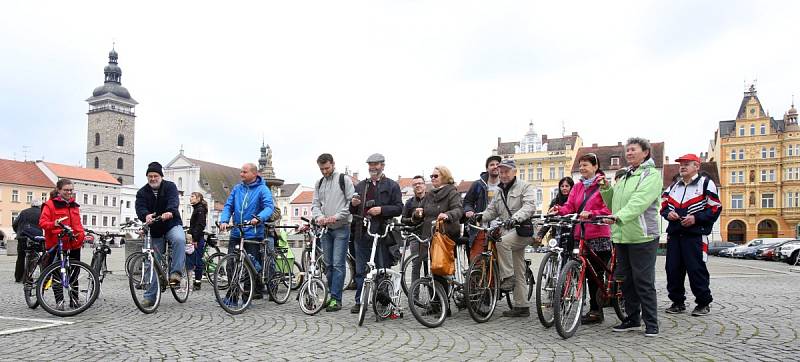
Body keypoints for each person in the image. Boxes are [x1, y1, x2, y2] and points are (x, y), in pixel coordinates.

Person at [599, 137, 663, 337]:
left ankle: (651, 323)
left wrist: (619, 217)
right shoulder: (626, 175)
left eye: (633, 149)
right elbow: (613, 205)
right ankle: (633, 319)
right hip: (622, 236)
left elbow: (639, 201)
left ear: (645, 153)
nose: (629, 153)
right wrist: (606, 189)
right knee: (626, 281)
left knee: (643, 281)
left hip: (642, 236)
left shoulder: (651, 175)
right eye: (627, 150)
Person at [553, 153, 611, 324]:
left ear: (595, 166)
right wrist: (558, 209)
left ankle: (596, 310)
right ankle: (593, 306)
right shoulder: (577, 187)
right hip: (581, 234)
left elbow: (610, 208)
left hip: (598, 234)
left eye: (585, 165)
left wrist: (592, 213)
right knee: (585, 274)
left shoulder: (603, 184)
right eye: (580, 165)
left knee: (596, 275)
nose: (582, 168)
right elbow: (570, 206)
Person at [661, 154, 721, 317]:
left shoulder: (706, 184)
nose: (682, 167)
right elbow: (664, 206)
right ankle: (677, 302)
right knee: (672, 269)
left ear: (697, 166)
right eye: (681, 164)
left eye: (687, 164)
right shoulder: (673, 186)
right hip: (675, 234)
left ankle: (703, 303)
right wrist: (668, 214)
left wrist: (696, 218)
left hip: (695, 235)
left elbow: (715, 208)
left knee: (696, 269)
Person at [476, 159, 537, 317]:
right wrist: (478, 217)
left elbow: (530, 206)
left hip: (524, 230)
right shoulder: (498, 191)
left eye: (506, 171)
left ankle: (507, 277)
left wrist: (515, 218)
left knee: (502, 244)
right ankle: (522, 306)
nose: (503, 174)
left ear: (515, 171)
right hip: (509, 232)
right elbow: (491, 211)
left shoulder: (525, 186)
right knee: (519, 269)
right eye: (501, 172)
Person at [348, 153, 403, 314]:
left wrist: (381, 210)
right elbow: (352, 210)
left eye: (376, 164)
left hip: (382, 233)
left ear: (383, 166)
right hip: (361, 232)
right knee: (360, 270)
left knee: (382, 269)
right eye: (370, 164)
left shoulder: (392, 185)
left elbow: (399, 208)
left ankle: (382, 300)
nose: (373, 167)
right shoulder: (361, 186)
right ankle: (360, 301)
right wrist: (353, 204)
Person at [219, 163, 275, 300]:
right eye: (241, 171)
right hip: (237, 232)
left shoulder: (263, 189)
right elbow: (228, 206)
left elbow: (269, 207)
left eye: (244, 172)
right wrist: (224, 220)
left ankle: (248, 295)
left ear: (254, 174)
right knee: (231, 264)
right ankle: (232, 295)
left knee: (250, 264)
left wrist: (259, 218)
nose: (241, 174)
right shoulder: (237, 189)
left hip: (253, 233)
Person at [135, 162, 187, 308]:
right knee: (151, 261)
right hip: (155, 229)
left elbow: (173, 201)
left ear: (161, 176)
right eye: (150, 176)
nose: (152, 178)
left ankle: (176, 273)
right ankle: (150, 296)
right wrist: (145, 216)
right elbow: (140, 207)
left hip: (171, 223)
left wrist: (170, 211)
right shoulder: (142, 192)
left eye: (155, 175)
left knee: (179, 239)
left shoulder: (170, 186)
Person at [412, 166, 463, 311]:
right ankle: (435, 305)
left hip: (444, 235)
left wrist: (447, 215)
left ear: (445, 177)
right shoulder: (429, 195)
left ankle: (443, 306)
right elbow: (417, 215)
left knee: (440, 270)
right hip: (429, 235)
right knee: (430, 271)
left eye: (435, 176)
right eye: (431, 176)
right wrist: (417, 214)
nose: (432, 178)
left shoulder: (451, 192)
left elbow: (459, 210)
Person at [311, 153, 355, 312]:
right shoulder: (319, 183)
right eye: (321, 169)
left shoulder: (344, 180)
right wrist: (320, 217)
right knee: (328, 264)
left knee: (337, 264)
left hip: (341, 227)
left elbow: (352, 204)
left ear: (333, 164)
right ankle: (331, 294)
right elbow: (315, 204)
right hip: (326, 229)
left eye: (327, 168)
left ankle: (336, 299)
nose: (324, 171)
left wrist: (335, 217)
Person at [39, 179, 85, 308]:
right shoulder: (50, 205)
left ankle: (74, 300)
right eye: (66, 190)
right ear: (59, 190)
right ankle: (60, 302)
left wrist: (81, 235)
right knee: (58, 274)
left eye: (71, 190)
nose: (69, 192)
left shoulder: (74, 205)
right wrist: (53, 224)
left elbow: (78, 224)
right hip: (57, 243)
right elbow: (42, 223)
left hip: (74, 243)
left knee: (74, 273)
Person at [463, 156, 502, 245]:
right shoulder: (478, 185)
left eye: (497, 164)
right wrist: (469, 210)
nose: (495, 166)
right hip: (481, 227)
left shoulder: (505, 184)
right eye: (492, 165)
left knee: (501, 255)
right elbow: (467, 202)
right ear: (487, 169)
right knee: (477, 256)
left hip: (500, 227)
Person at [402, 175, 427, 284]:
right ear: (412, 187)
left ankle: (433, 296)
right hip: (415, 235)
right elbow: (403, 219)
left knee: (429, 265)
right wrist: (413, 218)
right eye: (415, 184)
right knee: (416, 265)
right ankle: (414, 297)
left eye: (420, 183)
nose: (418, 186)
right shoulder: (409, 202)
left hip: (429, 235)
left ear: (424, 185)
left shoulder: (431, 200)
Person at [536, 176, 575, 243]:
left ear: (571, 187)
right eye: (562, 186)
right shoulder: (555, 201)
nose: (564, 188)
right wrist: (541, 234)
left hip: (572, 233)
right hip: (557, 233)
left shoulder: (575, 200)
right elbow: (549, 219)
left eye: (567, 186)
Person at [13, 199, 44, 283]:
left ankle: (18, 277)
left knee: (20, 257)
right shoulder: (42, 212)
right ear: (39, 206)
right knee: (34, 257)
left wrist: (18, 232)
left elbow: (15, 224)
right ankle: (29, 277)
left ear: (31, 205)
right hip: (36, 238)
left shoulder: (23, 212)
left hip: (22, 237)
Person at [187, 192, 208, 290]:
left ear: (198, 198)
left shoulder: (200, 209)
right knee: (195, 259)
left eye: (192, 196)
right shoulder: (197, 208)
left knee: (197, 260)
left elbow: (200, 225)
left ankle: (197, 283)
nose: (190, 198)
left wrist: (195, 239)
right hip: (196, 237)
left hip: (198, 238)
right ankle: (195, 281)